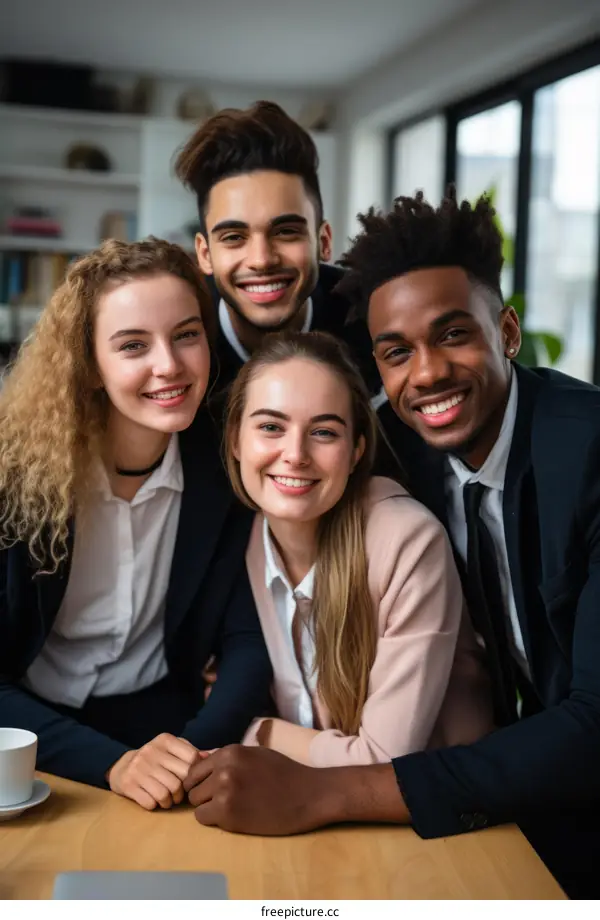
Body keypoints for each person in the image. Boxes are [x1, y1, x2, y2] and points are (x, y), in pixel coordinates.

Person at [183, 190, 600, 899]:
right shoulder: (413, 446)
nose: (427, 373)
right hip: (520, 785)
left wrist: (322, 791)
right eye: (396, 353)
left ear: (506, 331)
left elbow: (592, 722)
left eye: (453, 334)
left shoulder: (584, 451)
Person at [0, 237, 272, 811]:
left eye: (186, 335)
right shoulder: (17, 480)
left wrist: (187, 753)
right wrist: (113, 764)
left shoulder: (228, 464)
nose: (168, 365)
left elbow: (248, 639)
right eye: (132, 345)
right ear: (90, 367)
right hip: (32, 742)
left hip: (171, 735)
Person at [223, 330, 492, 766]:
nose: (295, 454)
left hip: (441, 820)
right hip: (316, 808)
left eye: (324, 432)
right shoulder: (256, 540)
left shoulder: (407, 541)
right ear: (236, 440)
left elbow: (383, 762)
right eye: (271, 427)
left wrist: (260, 731)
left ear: (355, 451)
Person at [174, 100, 383, 404]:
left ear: (323, 241)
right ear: (205, 254)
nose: (261, 260)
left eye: (286, 232)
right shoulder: (178, 339)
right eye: (234, 237)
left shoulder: (372, 318)